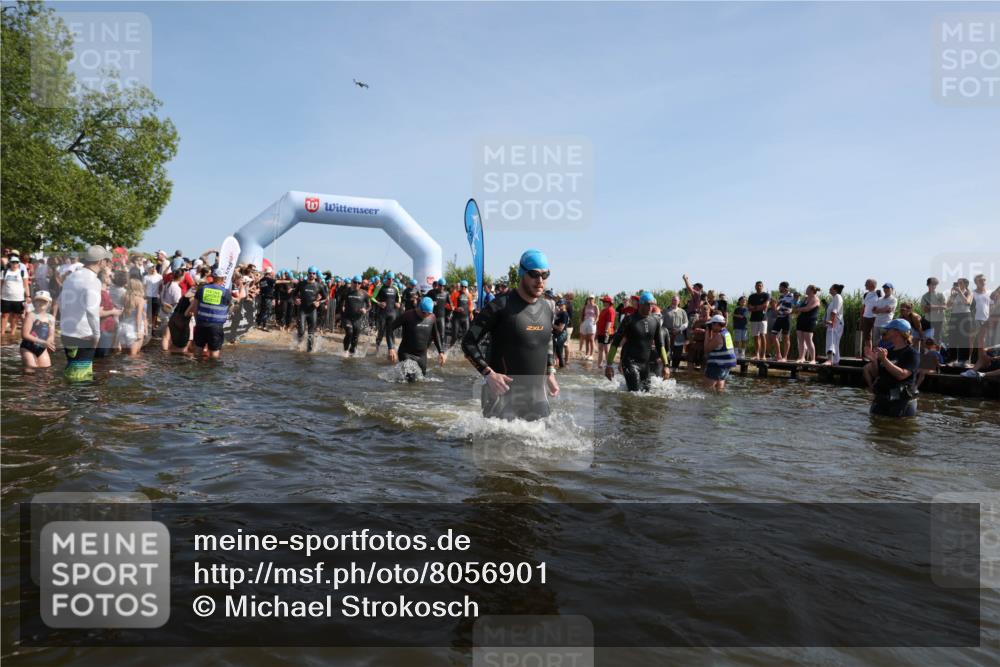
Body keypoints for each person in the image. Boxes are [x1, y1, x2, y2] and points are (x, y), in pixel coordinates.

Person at [462, 249, 559, 421]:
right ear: (522, 273)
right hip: (501, 397)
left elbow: (548, 339)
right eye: (534, 274)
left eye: (545, 275)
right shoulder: (499, 306)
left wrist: (550, 371)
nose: (540, 281)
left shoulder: (548, 308)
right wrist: (488, 374)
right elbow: (468, 342)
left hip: (537, 396)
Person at [58, 245, 110, 381]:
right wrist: (97, 334)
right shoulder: (93, 281)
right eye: (106, 260)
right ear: (100, 262)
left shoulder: (72, 276)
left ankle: (67, 399)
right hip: (84, 335)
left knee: (72, 369)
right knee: (81, 376)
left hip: (67, 333)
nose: (107, 263)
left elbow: (60, 300)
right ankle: (78, 401)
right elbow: (92, 310)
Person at [605, 291, 669, 392]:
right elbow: (615, 343)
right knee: (634, 393)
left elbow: (660, 345)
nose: (650, 307)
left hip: (645, 365)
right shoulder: (629, 320)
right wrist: (609, 365)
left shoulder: (655, 321)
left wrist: (666, 365)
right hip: (630, 362)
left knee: (646, 394)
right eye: (648, 304)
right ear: (641, 304)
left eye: (652, 305)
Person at [863, 319, 919, 417]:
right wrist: (874, 360)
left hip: (900, 400)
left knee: (896, 428)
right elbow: (877, 374)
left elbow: (902, 375)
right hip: (882, 397)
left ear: (897, 332)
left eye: (888, 329)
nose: (886, 331)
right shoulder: (887, 351)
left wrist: (884, 360)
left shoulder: (911, 353)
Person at [387, 296, 446, 380]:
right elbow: (389, 329)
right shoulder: (408, 315)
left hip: (421, 356)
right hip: (406, 353)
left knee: (421, 381)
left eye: (428, 313)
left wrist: (441, 352)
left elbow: (436, 335)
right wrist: (391, 348)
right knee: (410, 379)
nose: (425, 315)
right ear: (419, 307)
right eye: (423, 312)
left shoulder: (432, 317)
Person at [186, 268, 232, 360]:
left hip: (201, 324)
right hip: (216, 326)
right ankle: (212, 371)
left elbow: (194, 307)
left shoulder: (202, 289)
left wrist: (197, 320)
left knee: (198, 348)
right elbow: (229, 308)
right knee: (214, 352)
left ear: (212, 277)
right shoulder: (226, 292)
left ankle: (197, 368)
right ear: (223, 279)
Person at [20, 291, 56, 369]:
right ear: (34, 302)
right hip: (28, 347)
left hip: (42, 348)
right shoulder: (31, 315)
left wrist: (50, 342)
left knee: (46, 370)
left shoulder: (51, 318)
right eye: (38, 300)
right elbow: (25, 335)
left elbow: (51, 335)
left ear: (49, 304)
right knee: (31, 369)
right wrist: (43, 342)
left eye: (44, 301)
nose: (41, 303)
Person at [295, 266, 326, 352]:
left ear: (316, 275)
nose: (311, 275)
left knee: (311, 333)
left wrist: (319, 302)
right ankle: (299, 346)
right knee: (301, 331)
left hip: (312, 311)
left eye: (313, 273)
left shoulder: (319, 285)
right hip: (302, 310)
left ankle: (309, 350)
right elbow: (294, 294)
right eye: (310, 273)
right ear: (307, 274)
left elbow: (326, 298)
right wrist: (296, 299)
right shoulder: (301, 284)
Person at [703, 314, 738, 391]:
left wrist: (706, 334)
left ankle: (708, 402)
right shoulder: (726, 333)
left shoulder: (719, 336)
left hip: (718, 364)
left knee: (707, 388)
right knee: (720, 385)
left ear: (717, 324)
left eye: (712, 324)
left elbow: (706, 349)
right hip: (726, 365)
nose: (711, 327)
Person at [946, 278, 973, 366]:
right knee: (952, 338)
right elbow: (948, 306)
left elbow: (967, 302)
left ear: (965, 284)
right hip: (954, 316)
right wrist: (952, 295)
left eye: (960, 283)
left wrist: (960, 292)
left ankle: (963, 360)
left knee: (964, 339)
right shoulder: (955, 294)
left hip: (965, 316)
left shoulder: (968, 293)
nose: (958, 284)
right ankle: (952, 360)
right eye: (957, 283)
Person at [2, 255, 30, 337]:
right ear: (10, 263)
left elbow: (26, 285)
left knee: (15, 316)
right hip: (5, 297)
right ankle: (2, 333)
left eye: (16, 262)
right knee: (4, 315)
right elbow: (1, 284)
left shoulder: (22, 272)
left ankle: (12, 333)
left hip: (18, 298)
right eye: (13, 262)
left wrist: (28, 296)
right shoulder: (4, 272)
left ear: (19, 264)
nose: (14, 264)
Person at [341, 275, 370, 355]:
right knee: (349, 332)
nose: (357, 284)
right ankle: (345, 351)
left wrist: (365, 310)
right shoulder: (346, 291)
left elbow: (369, 305)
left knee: (355, 338)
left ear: (361, 284)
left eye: (359, 283)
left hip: (358, 319)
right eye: (355, 282)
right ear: (352, 282)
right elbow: (341, 301)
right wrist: (342, 307)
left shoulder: (364, 293)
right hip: (347, 317)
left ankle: (352, 353)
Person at [118, 278, 147, 357]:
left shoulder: (123, 298)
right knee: (134, 356)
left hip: (122, 327)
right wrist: (138, 331)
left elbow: (120, 313)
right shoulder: (140, 300)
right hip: (134, 328)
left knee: (123, 355)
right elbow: (139, 316)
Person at [792, 285, 820, 363]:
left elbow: (808, 308)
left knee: (808, 340)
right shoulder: (805, 298)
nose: (806, 290)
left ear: (811, 290)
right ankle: (801, 357)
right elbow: (801, 308)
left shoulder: (815, 299)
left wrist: (797, 309)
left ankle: (813, 359)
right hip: (801, 320)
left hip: (810, 321)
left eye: (807, 288)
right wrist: (796, 310)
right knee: (800, 340)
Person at [663, 295, 687, 372]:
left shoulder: (683, 311)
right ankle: (666, 369)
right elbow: (661, 323)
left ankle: (675, 370)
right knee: (667, 354)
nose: (674, 301)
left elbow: (686, 323)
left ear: (679, 301)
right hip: (668, 336)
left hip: (679, 336)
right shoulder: (665, 311)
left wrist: (679, 330)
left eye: (676, 300)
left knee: (677, 355)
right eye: (673, 300)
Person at [823, 284, 845, 365]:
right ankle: (835, 361)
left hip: (835, 323)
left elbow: (835, 311)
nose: (829, 288)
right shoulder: (834, 298)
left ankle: (830, 360)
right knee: (834, 342)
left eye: (831, 288)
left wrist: (832, 321)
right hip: (834, 323)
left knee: (831, 341)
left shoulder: (837, 296)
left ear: (835, 290)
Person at [772, 281, 795, 361]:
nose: (779, 288)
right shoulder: (781, 296)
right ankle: (778, 355)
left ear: (784, 287)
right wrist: (775, 307)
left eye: (780, 287)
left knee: (786, 338)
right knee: (773, 335)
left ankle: (785, 357)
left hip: (786, 318)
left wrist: (790, 311)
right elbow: (778, 307)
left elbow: (796, 305)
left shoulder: (792, 295)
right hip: (779, 317)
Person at [920, 278, 946, 346]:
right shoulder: (924, 296)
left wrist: (931, 307)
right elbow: (924, 310)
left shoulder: (940, 295)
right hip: (928, 320)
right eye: (932, 284)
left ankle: (937, 354)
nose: (934, 286)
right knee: (924, 337)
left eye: (935, 284)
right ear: (928, 285)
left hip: (939, 320)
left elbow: (945, 307)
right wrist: (938, 307)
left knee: (938, 338)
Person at [747, 281, 769, 360]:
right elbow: (749, 307)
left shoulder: (766, 295)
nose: (758, 287)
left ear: (762, 286)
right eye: (757, 286)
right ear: (755, 287)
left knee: (762, 335)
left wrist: (755, 308)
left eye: (760, 286)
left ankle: (763, 355)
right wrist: (758, 307)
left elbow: (765, 305)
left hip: (763, 319)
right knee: (756, 337)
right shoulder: (752, 296)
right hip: (754, 319)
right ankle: (757, 354)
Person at [971, 274, 991, 358]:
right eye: (980, 280)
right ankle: (967, 360)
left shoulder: (989, 293)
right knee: (970, 340)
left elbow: (992, 307)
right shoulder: (972, 293)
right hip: (974, 319)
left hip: (985, 319)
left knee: (982, 341)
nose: (983, 282)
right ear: (976, 282)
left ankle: (981, 360)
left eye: (984, 280)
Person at [427, 278, 450, 347]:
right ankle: (425, 350)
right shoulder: (431, 292)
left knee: (442, 335)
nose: (442, 287)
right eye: (440, 285)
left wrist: (449, 313)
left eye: (443, 286)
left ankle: (441, 352)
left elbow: (451, 304)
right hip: (432, 317)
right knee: (430, 335)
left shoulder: (446, 293)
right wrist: (431, 302)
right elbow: (424, 300)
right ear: (438, 285)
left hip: (441, 317)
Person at [687, 303, 711, 370]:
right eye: (702, 309)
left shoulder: (711, 321)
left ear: (709, 310)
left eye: (705, 309)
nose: (704, 311)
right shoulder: (697, 321)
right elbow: (691, 331)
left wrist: (703, 331)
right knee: (690, 363)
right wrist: (694, 331)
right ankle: (690, 378)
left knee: (704, 367)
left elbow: (715, 334)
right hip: (695, 344)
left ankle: (701, 379)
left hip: (705, 346)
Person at [595, 295, 616, 369]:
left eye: (605, 301)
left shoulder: (611, 310)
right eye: (603, 301)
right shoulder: (603, 310)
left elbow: (609, 322)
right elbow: (600, 321)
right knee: (600, 348)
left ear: (609, 302)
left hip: (607, 332)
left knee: (607, 349)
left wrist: (607, 332)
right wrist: (597, 332)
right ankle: (599, 365)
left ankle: (609, 365)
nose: (603, 303)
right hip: (601, 332)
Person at [450, 280, 473, 346]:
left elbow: (470, 305)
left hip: (465, 318)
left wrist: (471, 313)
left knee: (466, 336)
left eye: (465, 287)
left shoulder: (469, 295)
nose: (463, 288)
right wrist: (456, 308)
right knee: (454, 336)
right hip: (456, 318)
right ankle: (449, 350)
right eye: (462, 287)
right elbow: (449, 304)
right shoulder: (455, 294)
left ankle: (463, 350)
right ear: (460, 287)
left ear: (467, 287)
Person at [860, 278, 879, 355]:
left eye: (866, 283)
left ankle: (876, 355)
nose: (865, 285)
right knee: (867, 337)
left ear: (872, 284)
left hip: (876, 317)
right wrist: (861, 318)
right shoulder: (866, 294)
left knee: (876, 337)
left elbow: (882, 303)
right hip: (866, 317)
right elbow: (863, 307)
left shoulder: (879, 293)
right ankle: (868, 354)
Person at [142, 263, 163, 331]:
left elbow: (161, 287)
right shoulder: (146, 277)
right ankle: (147, 328)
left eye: (153, 267)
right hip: (148, 297)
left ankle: (153, 328)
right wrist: (144, 296)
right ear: (148, 269)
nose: (153, 269)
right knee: (148, 314)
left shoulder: (159, 276)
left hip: (156, 298)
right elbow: (143, 287)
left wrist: (159, 294)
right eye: (151, 267)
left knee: (155, 314)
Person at [578, 295, 598, 360]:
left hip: (592, 322)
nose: (590, 299)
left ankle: (591, 355)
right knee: (587, 340)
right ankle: (587, 354)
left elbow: (598, 316)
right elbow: (582, 315)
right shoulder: (585, 306)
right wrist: (581, 322)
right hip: (586, 322)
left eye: (592, 298)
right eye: (589, 298)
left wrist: (595, 322)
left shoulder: (595, 306)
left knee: (591, 339)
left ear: (594, 299)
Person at [552, 300, 570, 368]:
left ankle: (562, 368)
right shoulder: (559, 313)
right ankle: (558, 366)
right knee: (556, 352)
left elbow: (560, 328)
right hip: (557, 334)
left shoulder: (564, 314)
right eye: (559, 305)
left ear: (565, 305)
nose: (559, 306)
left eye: (561, 305)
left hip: (561, 334)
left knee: (559, 353)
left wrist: (551, 325)